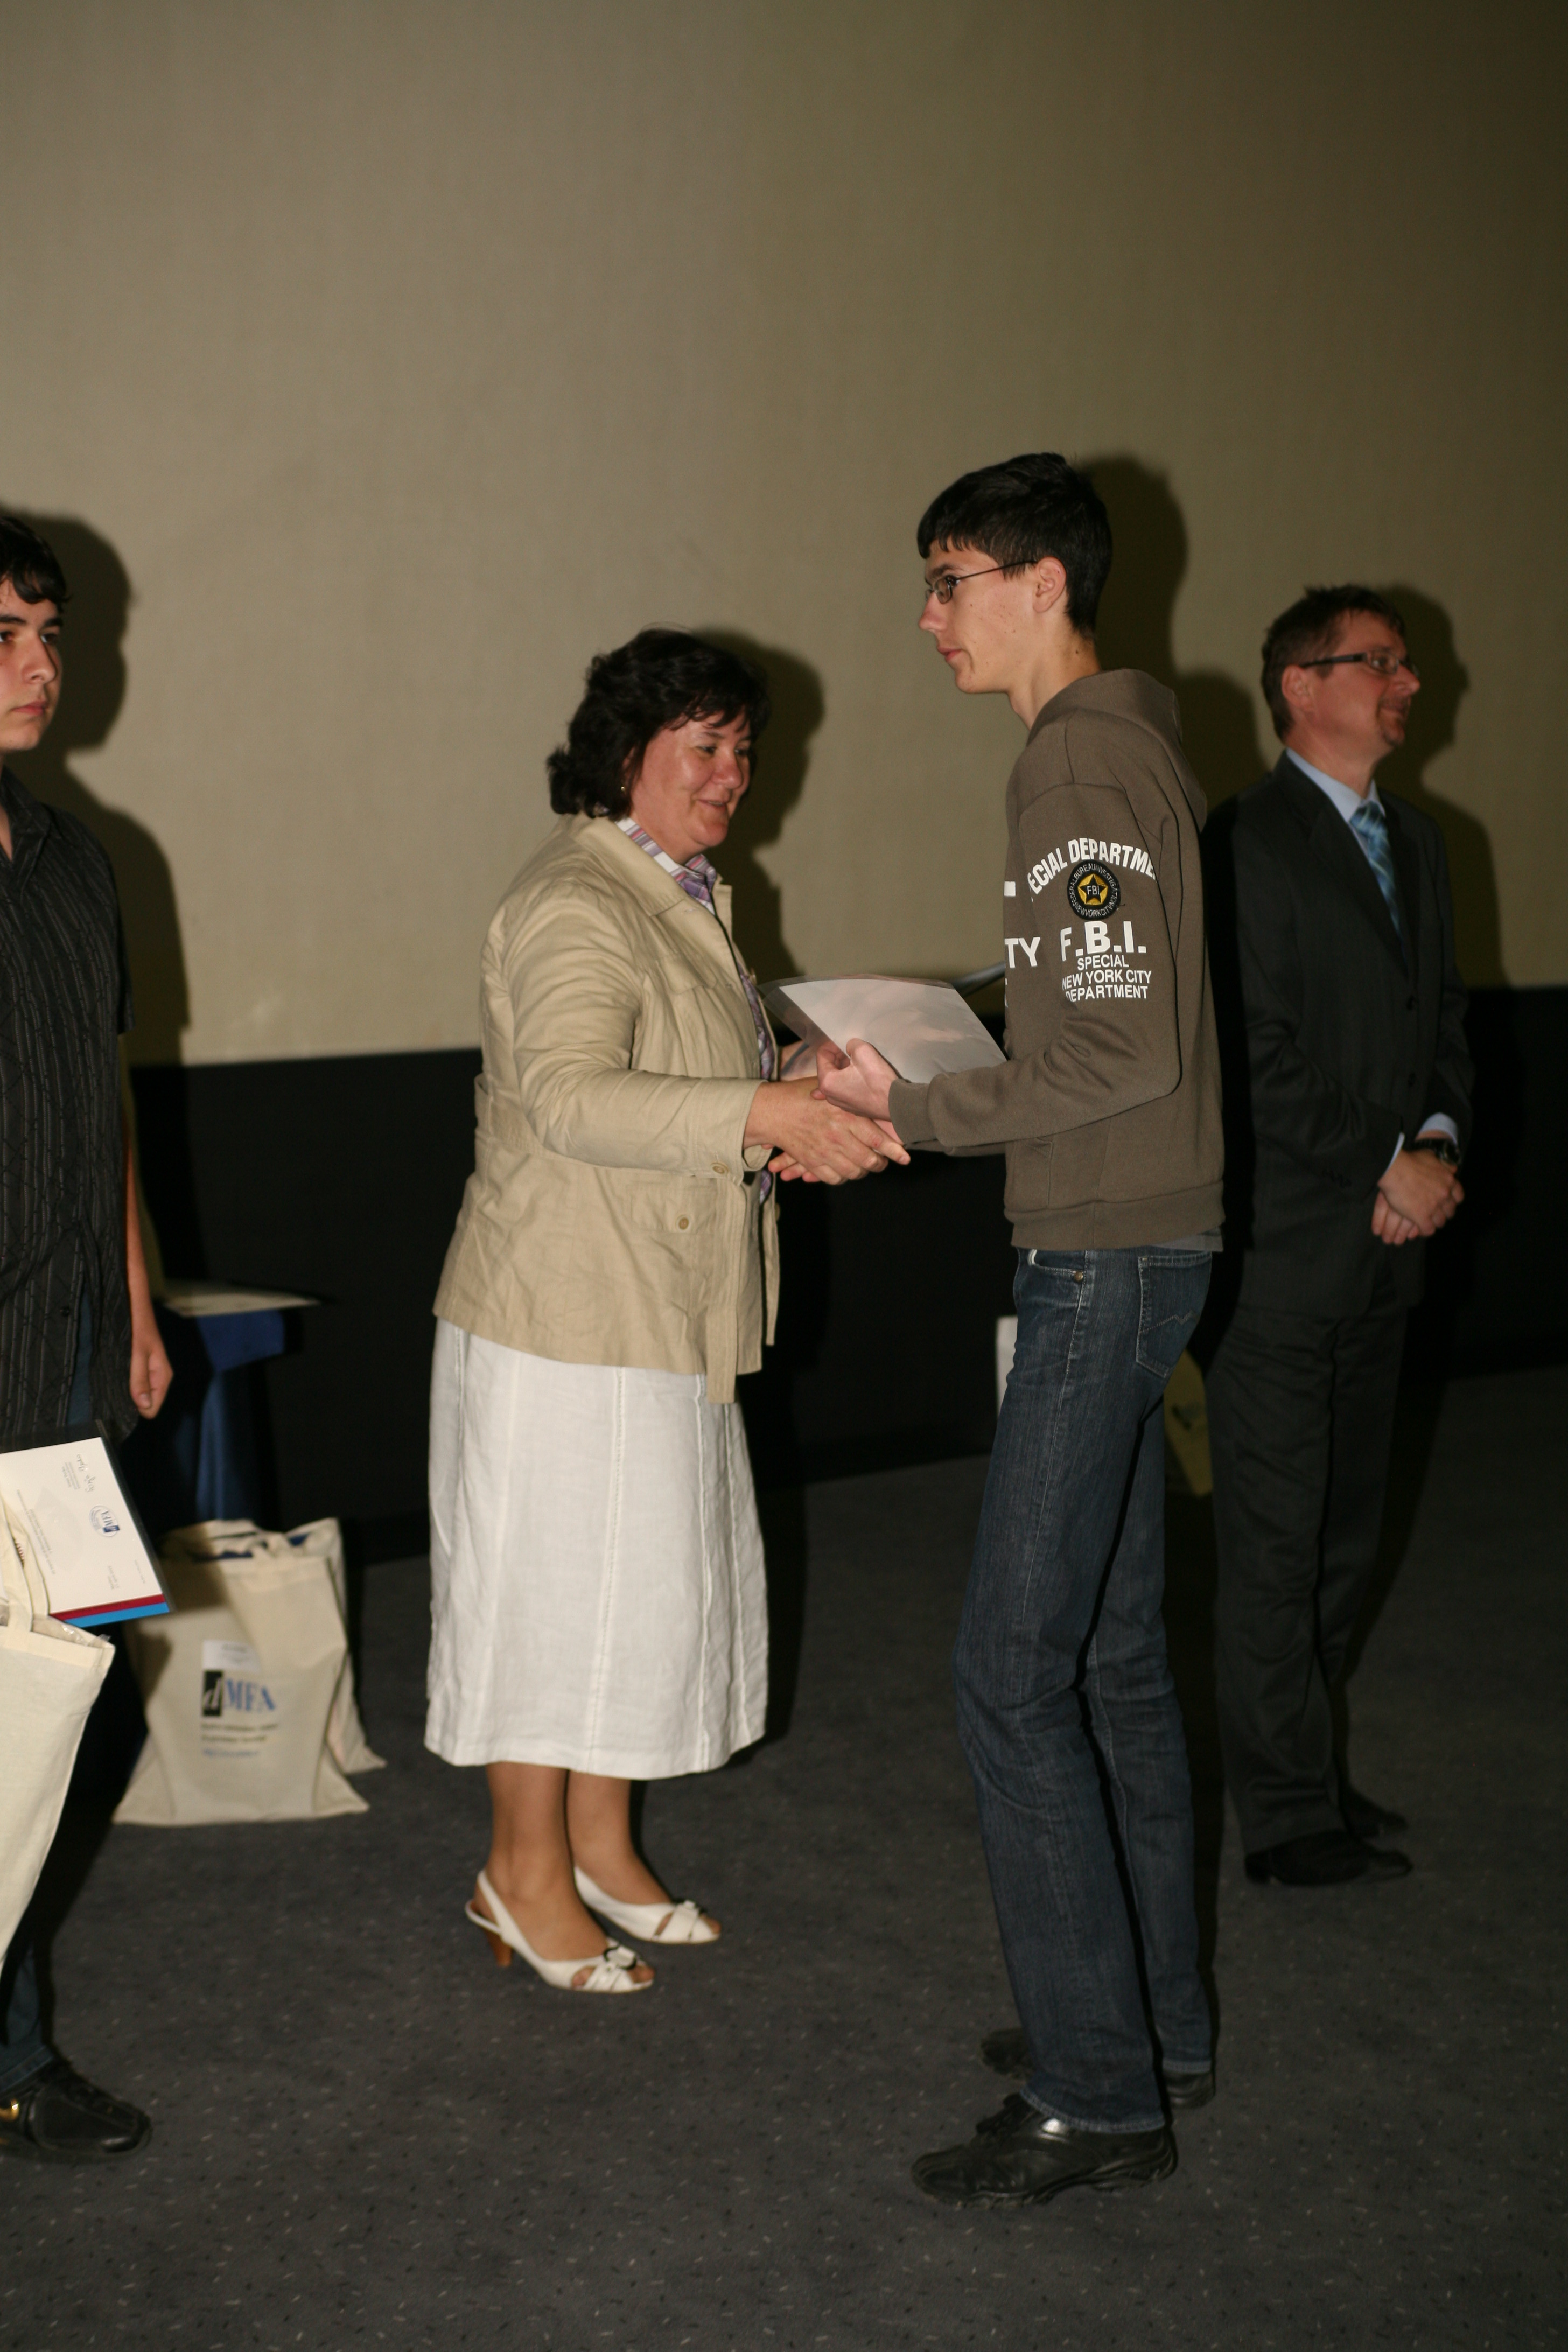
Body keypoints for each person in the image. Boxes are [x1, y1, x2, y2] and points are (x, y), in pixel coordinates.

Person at [815, 454, 1223, 2207]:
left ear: (1043, 581)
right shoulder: (1131, 743)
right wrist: (947, 1032)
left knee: (1008, 1675)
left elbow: (1117, 1048)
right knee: (1113, 1659)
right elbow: (1106, 1001)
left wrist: (911, 1101)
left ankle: (1094, 2091)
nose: (929, 616)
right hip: (1151, 1241)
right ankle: (1149, 2026)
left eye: (950, 579)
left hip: (1104, 1255)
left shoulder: (1075, 757)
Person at [426, 628, 905, 1995]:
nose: (731, 773)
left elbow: (681, 1070)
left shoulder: (675, 889)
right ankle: (517, 1873)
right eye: (703, 745)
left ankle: (597, 1847)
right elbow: (574, 1096)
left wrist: (804, 1072)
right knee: (549, 1602)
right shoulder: (577, 898)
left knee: (628, 1597)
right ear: (624, 753)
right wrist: (769, 1112)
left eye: (742, 748)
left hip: (651, 1306)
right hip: (561, 1318)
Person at [1200, 587, 1471, 1888]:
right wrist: (1382, 1160)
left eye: (1406, 665)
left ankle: (1305, 1767)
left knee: (1344, 1540)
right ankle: (1285, 1815)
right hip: (1284, 1255)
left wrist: (1437, 1147)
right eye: (1381, 663)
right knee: (1274, 1542)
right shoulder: (1241, 842)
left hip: (1388, 1245)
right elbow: (1251, 1056)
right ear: (1301, 686)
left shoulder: (1418, 841)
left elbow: (1445, 1027)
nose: (1408, 684)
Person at [0, 515, 173, 2163]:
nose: (42, 665)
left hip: (65, 1367)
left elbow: (101, 1097)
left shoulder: (74, 860)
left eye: (49, 632)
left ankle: (15, 2052)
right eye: (4, 636)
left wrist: (136, 1298)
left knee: (50, 1713)